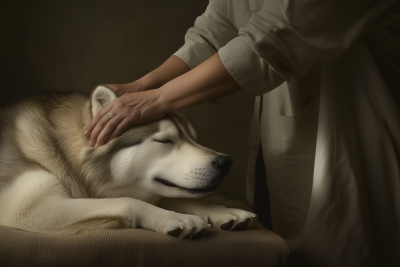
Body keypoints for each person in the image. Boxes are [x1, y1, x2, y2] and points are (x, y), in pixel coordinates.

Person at [84, 1, 400, 266]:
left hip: (363, 137)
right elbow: (218, 27)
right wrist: (144, 86)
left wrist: (158, 98)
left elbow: (274, 39)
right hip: (285, 144)